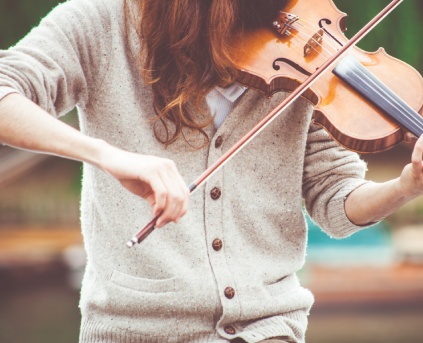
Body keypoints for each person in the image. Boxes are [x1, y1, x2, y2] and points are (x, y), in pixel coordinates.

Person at [0, 0, 422, 342]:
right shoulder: (99, 22)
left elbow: (336, 198)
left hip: (270, 330)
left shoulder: (303, 59)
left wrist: (405, 186)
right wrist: (106, 155)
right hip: (136, 331)